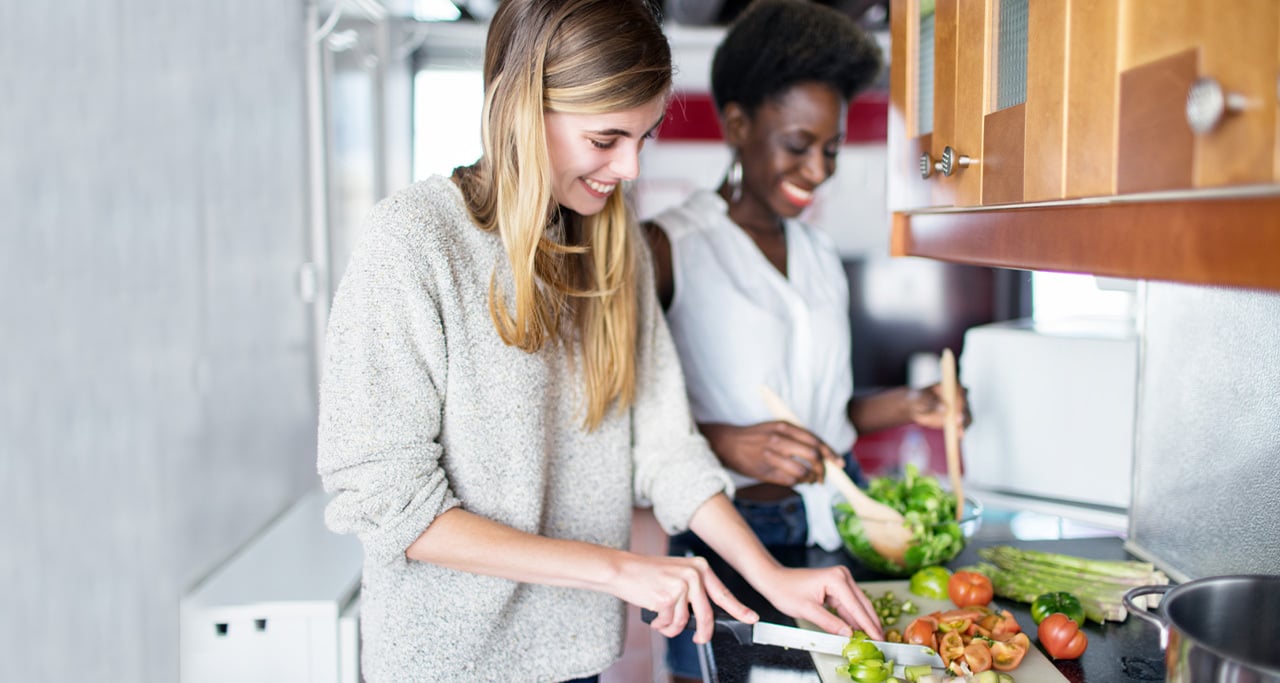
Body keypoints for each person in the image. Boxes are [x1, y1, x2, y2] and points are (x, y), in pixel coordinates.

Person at [316, 1, 881, 681]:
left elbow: (668, 447)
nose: (631, 168)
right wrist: (620, 569)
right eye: (607, 138)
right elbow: (390, 504)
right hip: (447, 664)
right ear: (524, 108)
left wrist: (772, 574)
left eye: (643, 138)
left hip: (576, 656)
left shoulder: (614, 251)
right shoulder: (413, 240)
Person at [642, 2, 968, 679]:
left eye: (831, 150)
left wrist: (911, 404)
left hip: (827, 527)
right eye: (798, 144)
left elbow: (825, 415)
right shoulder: (669, 246)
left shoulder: (819, 254)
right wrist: (729, 440)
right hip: (723, 537)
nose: (818, 170)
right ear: (737, 124)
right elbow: (622, 425)